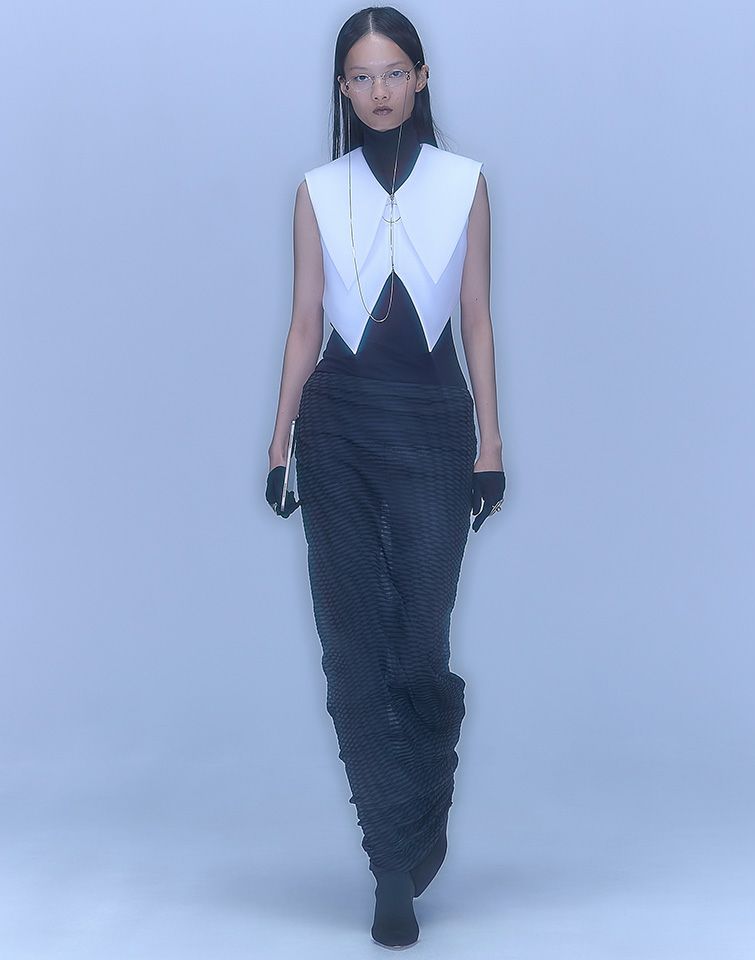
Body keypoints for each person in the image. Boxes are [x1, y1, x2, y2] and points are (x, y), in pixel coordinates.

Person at [264, 6, 505, 949]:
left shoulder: (466, 183)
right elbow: (303, 323)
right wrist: (277, 444)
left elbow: (476, 318)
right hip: (338, 429)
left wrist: (491, 446)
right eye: (361, 77)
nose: (378, 91)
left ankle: (420, 813)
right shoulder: (317, 192)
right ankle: (390, 864)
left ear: (421, 77)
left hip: (435, 425)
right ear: (343, 89)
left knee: (416, 647)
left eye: (394, 72)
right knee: (353, 644)